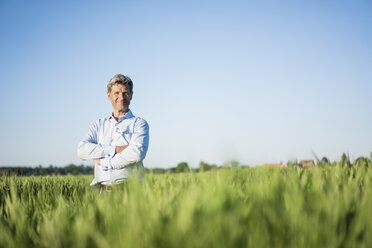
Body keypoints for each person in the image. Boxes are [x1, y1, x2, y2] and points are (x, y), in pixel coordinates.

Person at [77, 74, 149, 190]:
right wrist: (115, 150)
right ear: (109, 95)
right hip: (101, 191)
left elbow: (137, 153)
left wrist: (104, 162)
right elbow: (82, 150)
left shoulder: (139, 124)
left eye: (125, 93)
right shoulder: (98, 125)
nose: (121, 97)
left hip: (130, 189)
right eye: (117, 93)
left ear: (131, 95)